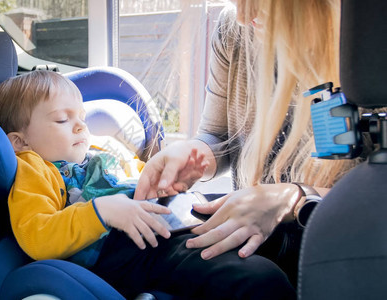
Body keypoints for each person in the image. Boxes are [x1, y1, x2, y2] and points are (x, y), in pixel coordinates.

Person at [0, 70, 296, 299]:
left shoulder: (100, 149)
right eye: (63, 119)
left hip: (175, 220)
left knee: (287, 234)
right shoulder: (36, 167)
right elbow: (36, 234)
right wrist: (100, 211)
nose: (80, 126)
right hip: (137, 250)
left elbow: (143, 183)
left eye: (82, 116)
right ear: (20, 141)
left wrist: (173, 184)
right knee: (259, 280)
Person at [135, 0, 360, 285]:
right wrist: (193, 154)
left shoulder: (367, 48)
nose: (242, 17)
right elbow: (217, 136)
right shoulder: (234, 32)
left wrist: (294, 197)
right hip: (259, 244)